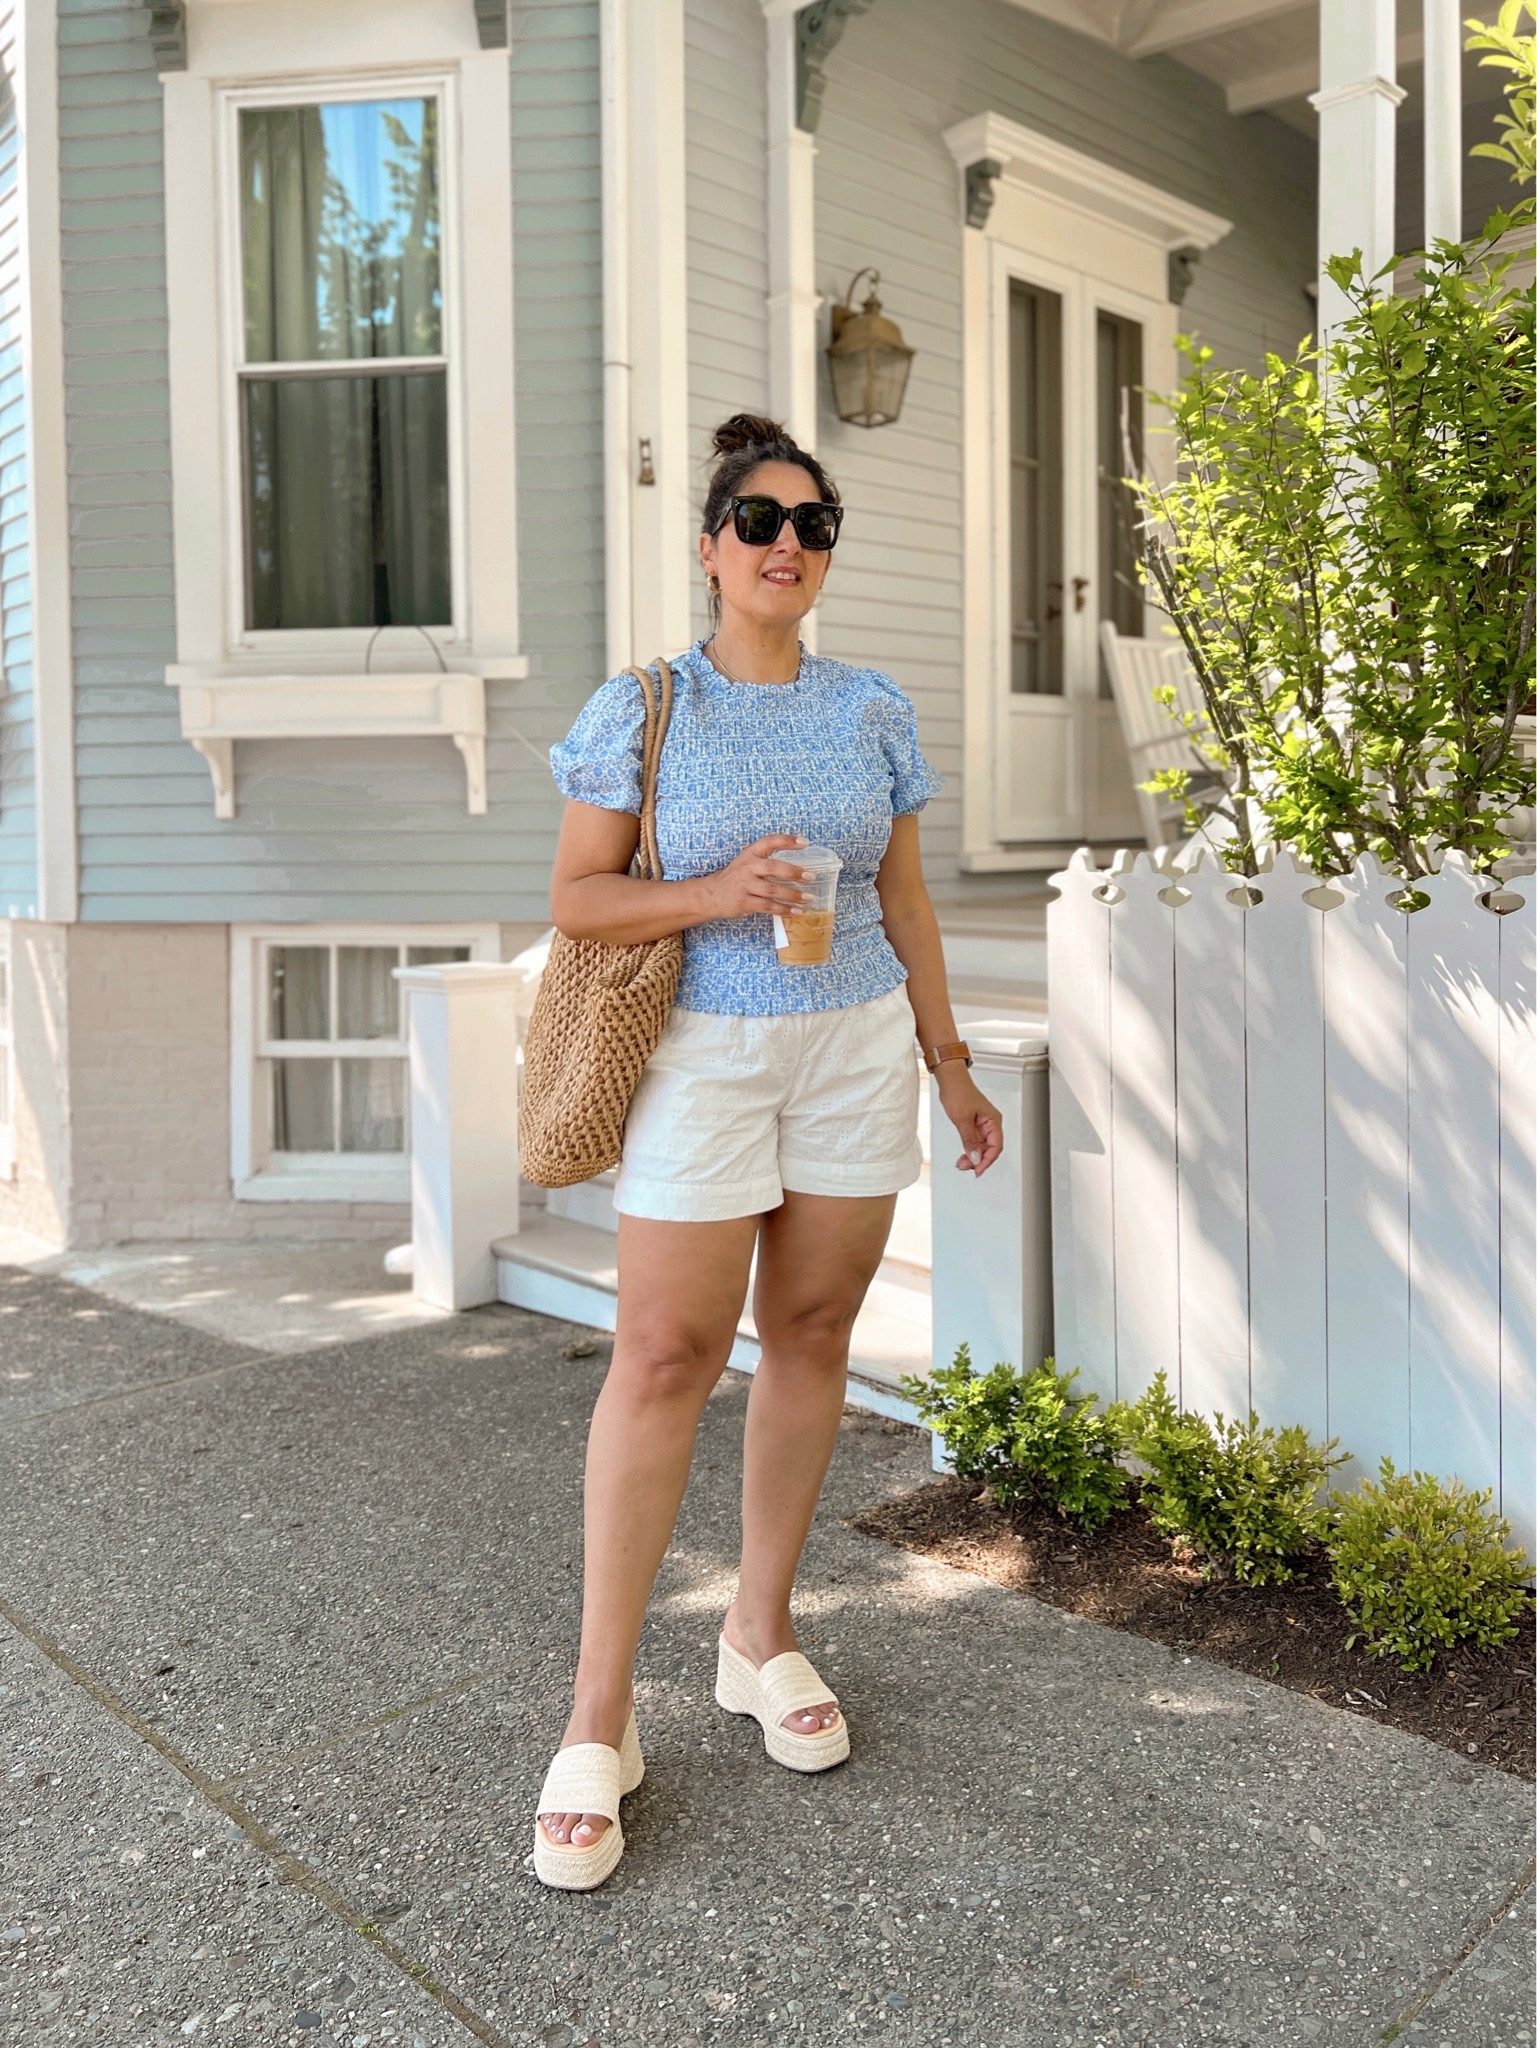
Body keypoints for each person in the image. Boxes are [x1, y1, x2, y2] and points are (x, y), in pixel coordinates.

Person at [532, 413, 1003, 1889]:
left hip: (854, 1044)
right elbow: (576, 900)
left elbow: (907, 905)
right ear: (709, 545)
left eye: (811, 526)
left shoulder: (870, 707)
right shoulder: (645, 704)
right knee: (665, 1356)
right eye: (758, 521)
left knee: (809, 1333)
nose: (785, 545)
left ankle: (758, 1632)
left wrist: (949, 1059)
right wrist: (718, 893)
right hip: (704, 1059)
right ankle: (599, 1717)